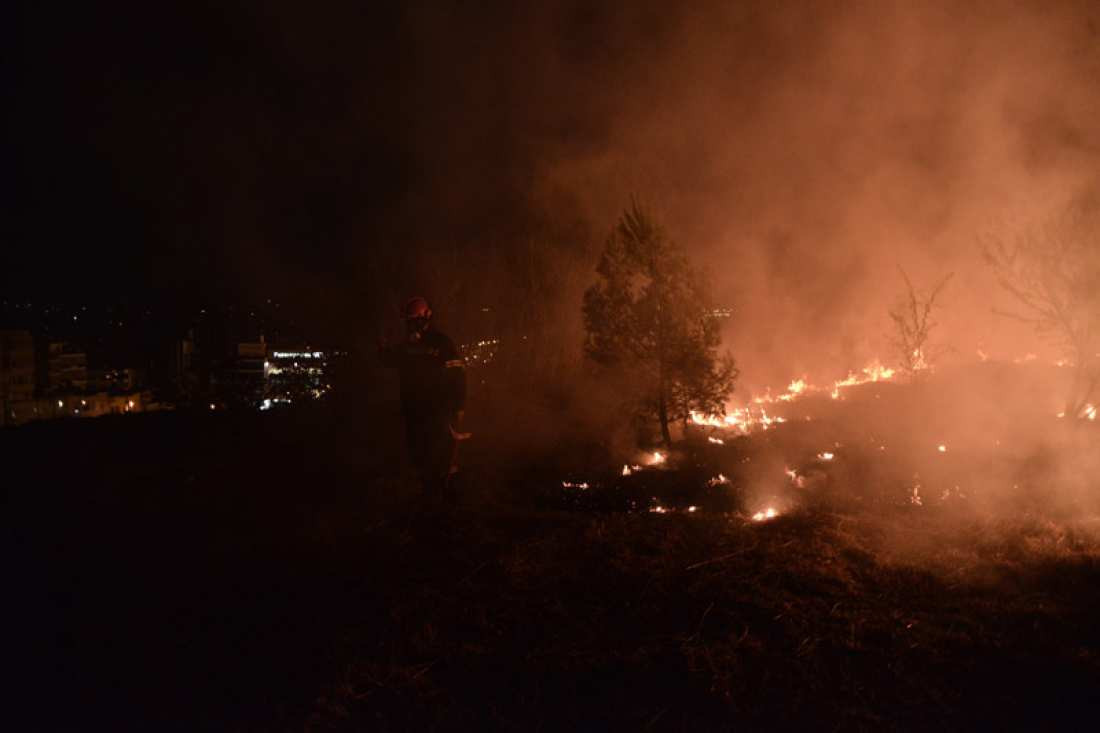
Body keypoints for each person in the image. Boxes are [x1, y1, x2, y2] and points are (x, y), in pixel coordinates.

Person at [378, 296, 467, 501]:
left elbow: (458, 376)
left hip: (437, 412)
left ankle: (448, 497)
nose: (413, 325)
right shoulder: (407, 348)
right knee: (421, 456)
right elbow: (389, 359)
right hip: (414, 412)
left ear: (427, 317)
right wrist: (381, 349)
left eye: (416, 320)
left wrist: (458, 408)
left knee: (442, 457)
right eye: (410, 321)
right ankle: (430, 497)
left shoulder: (441, 343)